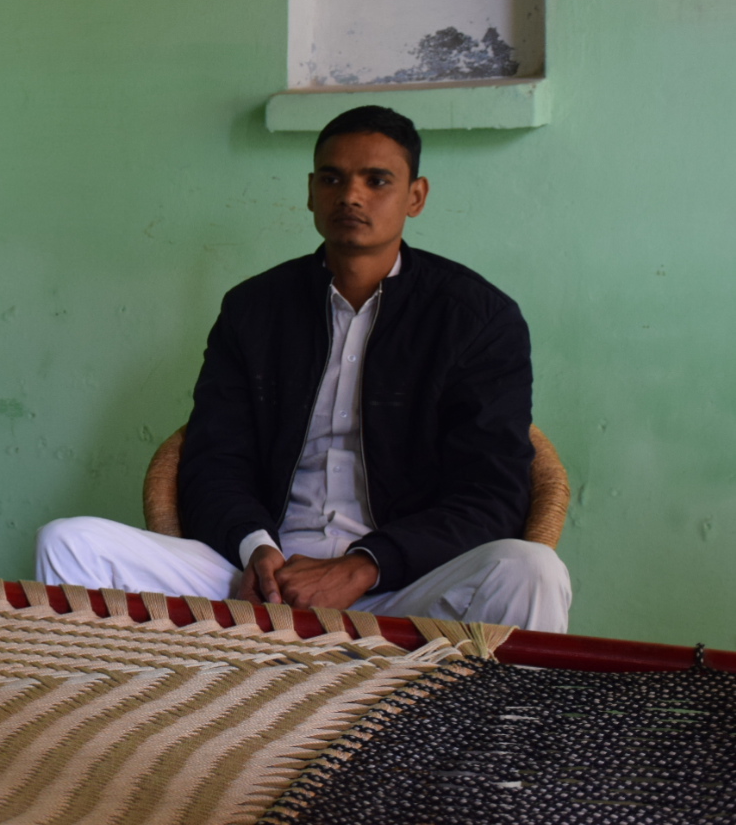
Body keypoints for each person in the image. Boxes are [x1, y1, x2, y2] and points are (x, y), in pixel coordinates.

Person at [36, 106, 570, 633]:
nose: (351, 196)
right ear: (311, 192)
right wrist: (256, 549)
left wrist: (364, 565)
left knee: (532, 572)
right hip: (261, 581)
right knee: (68, 543)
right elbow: (214, 460)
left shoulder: (476, 318)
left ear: (416, 196)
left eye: (377, 180)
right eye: (332, 179)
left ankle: (499, 703)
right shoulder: (253, 310)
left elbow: (492, 492)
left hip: (403, 583)